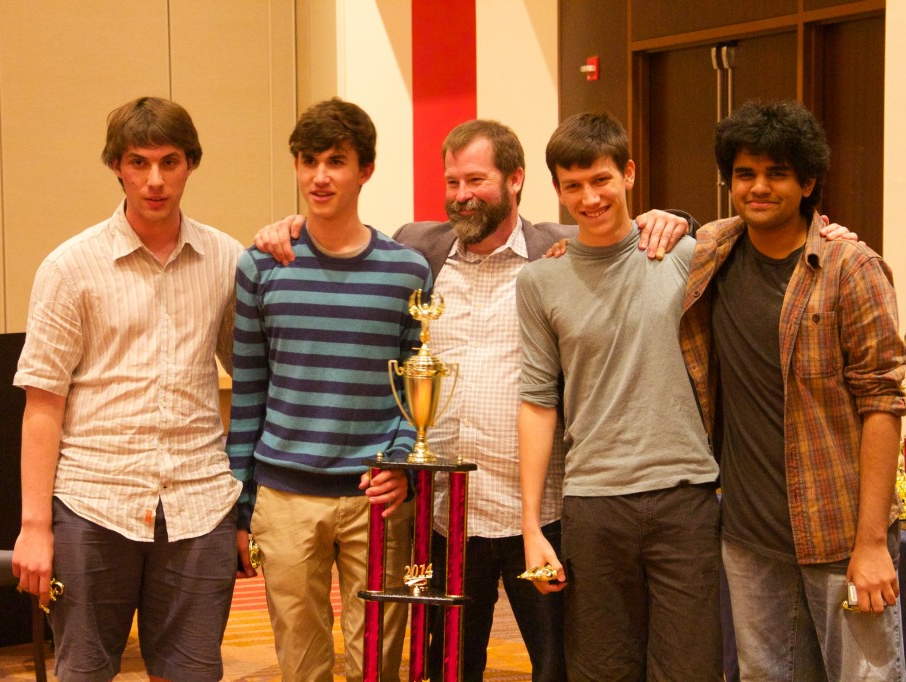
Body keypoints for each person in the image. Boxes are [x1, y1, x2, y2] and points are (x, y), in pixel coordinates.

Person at [253, 118, 690, 681]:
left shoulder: (559, 248)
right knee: (446, 669)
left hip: (543, 513)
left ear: (516, 180)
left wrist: (675, 219)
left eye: (476, 180)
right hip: (446, 516)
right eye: (452, 181)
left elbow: (623, 225)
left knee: (559, 666)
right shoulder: (418, 250)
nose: (461, 195)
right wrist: (287, 227)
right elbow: (343, 236)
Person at [11, 96, 243, 681]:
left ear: (191, 163)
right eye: (139, 163)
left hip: (200, 504)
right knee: (84, 673)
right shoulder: (70, 267)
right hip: (93, 504)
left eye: (169, 161)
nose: (155, 180)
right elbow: (43, 405)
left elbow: (258, 381)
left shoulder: (227, 259)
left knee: (193, 674)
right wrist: (34, 527)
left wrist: (252, 503)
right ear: (117, 165)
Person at [680, 100, 906, 680]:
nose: (758, 187)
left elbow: (883, 403)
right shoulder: (714, 250)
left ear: (807, 182)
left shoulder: (851, 268)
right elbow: (639, 234)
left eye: (776, 173)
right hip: (750, 536)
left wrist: (873, 542)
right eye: (744, 174)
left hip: (838, 534)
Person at [224, 97, 431, 682]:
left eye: (336, 161)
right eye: (308, 160)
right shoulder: (261, 267)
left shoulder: (408, 270)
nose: (319, 176)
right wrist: (243, 507)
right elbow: (249, 395)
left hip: (378, 497)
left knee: (379, 664)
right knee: (300, 662)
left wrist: (400, 463)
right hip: (284, 497)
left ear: (364, 170)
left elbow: (416, 380)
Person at [517, 112, 724, 680]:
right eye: (573, 185)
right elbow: (538, 402)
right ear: (556, 191)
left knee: (690, 670)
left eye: (601, 179)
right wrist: (533, 526)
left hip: (685, 496)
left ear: (629, 173)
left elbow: (754, 229)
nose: (590, 197)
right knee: (601, 670)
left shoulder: (685, 255)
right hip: (593, 504)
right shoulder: (539, 282)